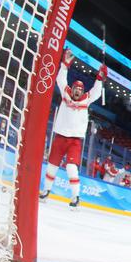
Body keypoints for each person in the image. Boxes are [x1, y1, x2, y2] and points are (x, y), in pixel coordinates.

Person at [38, 49, 106, 209]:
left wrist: (100, 78)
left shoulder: (86, 99)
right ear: (73, 88)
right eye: (75, 88)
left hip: (75, 140)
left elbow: (96, 91)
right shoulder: (66, 93)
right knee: (52, 165)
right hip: (60, 136)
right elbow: (61, 80)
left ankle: (75, 197)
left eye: (80, 90)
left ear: (82, 91)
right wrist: (64, 65)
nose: (77, 91)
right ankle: (46, 191)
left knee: (71, 168)